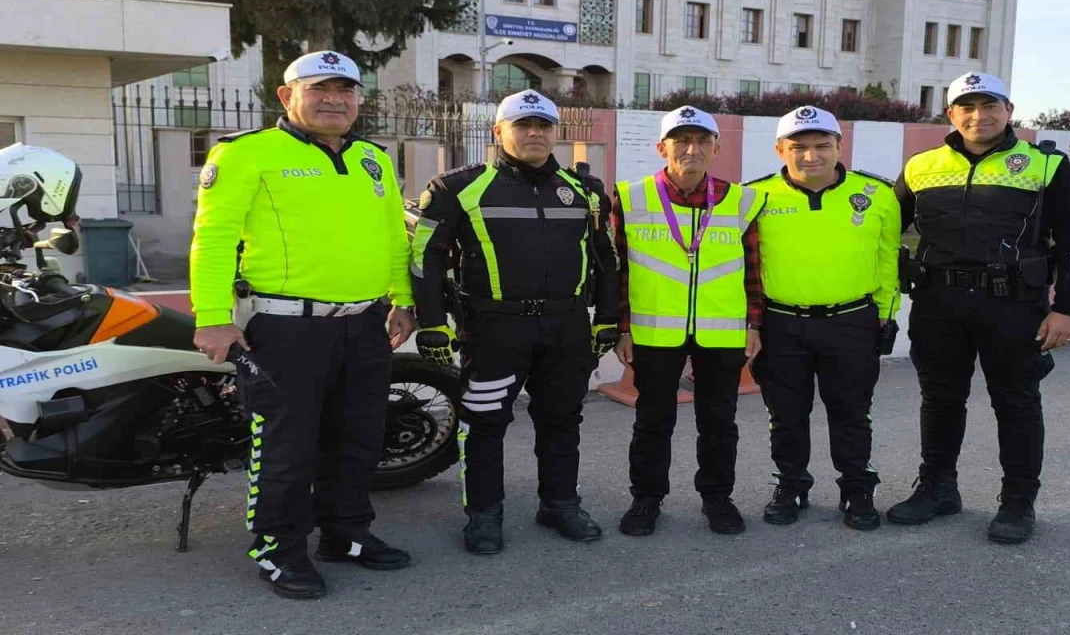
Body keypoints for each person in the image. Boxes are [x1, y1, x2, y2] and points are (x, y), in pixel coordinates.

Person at [191, 50, 416, 599]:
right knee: (287, 446)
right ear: (287, 96)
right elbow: (214, 239)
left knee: (359, 437)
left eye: (346, 90)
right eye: (320, 89)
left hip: (363, 323)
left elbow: (393, 239)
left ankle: (346, 533)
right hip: (286, 330)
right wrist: (214, 318)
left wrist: (402, 300)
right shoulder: (246, 154)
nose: (335, 100)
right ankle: (278, 548)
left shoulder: (373, 159)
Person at [888, 71, 1070, 544]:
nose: (978, 116)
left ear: (1009, 111)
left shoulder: (1046, 166)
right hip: (939, 303)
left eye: (989, 106)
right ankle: (939, 489)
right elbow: (883, 230)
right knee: (940, 400)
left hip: (1013, 305)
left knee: (1016, 402)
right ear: (951, 114)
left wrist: (1068, 309)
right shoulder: (922, 166)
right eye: (967, 107)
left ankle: (1018, 503)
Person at [409, 89, 620, 555]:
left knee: (562, 419)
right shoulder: (456, 187)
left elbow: (606, 259)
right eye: (522, 125)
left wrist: (609, 319)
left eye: (543, 126)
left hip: (566, 327)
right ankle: (484, 515)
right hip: (493, 329)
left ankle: (560, 504)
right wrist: (431, 323)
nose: (533, 133)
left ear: (555, 133)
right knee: (484, 423)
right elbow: (425, 258)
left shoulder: (585, 190)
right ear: (497, 132)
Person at [745, 106, 901, 530]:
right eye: (798, 147)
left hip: (851, 321)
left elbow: (888, 261)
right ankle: (791, 483)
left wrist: (886, 318)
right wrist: (750, 324)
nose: (810, 156)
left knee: (851, 411)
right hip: (781, 325)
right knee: (785, 414)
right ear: (780, 149)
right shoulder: (753, 197)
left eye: (821, 145)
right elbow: (743, 267)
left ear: (839, 146)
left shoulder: (877, 194)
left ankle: (856, 488)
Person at [612, 106, 765, 537]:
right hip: (654, 332)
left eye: (702, 140)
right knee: (652, 420)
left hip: (722, 332)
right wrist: (622, 329)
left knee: (719, 421)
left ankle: (717, 497)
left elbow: (755, 270)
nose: (691, 149)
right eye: (681, 140)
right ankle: (646, 498)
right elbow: (619, 269)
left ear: (717, 147)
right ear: (662, 147)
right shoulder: (631, 197)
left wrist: (754, 325)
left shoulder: (740, 200)